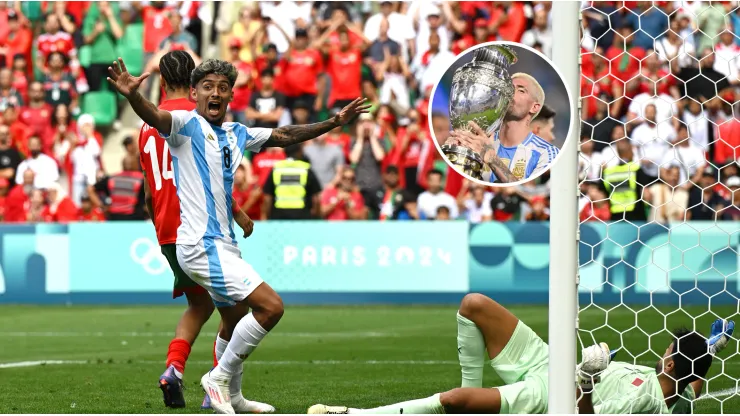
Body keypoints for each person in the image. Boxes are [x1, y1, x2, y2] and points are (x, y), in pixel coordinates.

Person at [107, 56, 369, 414]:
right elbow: (156, 116)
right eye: (208, 86)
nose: (215, 93)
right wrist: (133, 98)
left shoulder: (236, 132)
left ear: (230, 95)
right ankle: (218, 378)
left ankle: (232, 396)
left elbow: (284, 135)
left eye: (222, 87)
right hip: (200, 246)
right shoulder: (185, 125)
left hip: (223, 244)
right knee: (271, 307)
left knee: (234, 317)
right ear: (195, 93)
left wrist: (335, 122)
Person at [308, 294, 734, 414]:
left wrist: (583, 382)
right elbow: (692, 384)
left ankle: (352, 415)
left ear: (672, 362)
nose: (662, 351)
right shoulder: (679, 383)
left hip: (555, 396)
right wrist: (713, 344)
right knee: (474, 305)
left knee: (454, 403)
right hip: (551, 360)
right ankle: (470, 389)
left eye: (669, 350)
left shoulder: (648, 400)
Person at [136, 50, 258, 411]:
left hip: (166, 225)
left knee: (200, 304)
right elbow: (212, 179)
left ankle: (175, 369)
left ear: (160, 81)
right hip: (199, 225)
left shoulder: (146, 125)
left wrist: (156, 219)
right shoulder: (195, 117)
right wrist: (237, 213)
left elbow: (147, 186)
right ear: (193, 83)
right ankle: (216, 385)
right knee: (233, 310)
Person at [447, 73, 559, 184]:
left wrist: (492, 159)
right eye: (508, 88)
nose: (509, 92)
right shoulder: (478, 142)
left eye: (521, 90)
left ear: (534, 107)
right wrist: (454, 154)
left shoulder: (547, 153)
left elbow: (528, 194)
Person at [262, 144, 322, 220]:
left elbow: (267, 198)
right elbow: (316, 199)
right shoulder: (306, 169)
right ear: (300, 151)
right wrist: (317, 215)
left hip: (279, 216)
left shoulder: (276, 168)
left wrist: (267, 216)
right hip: (302, 216)